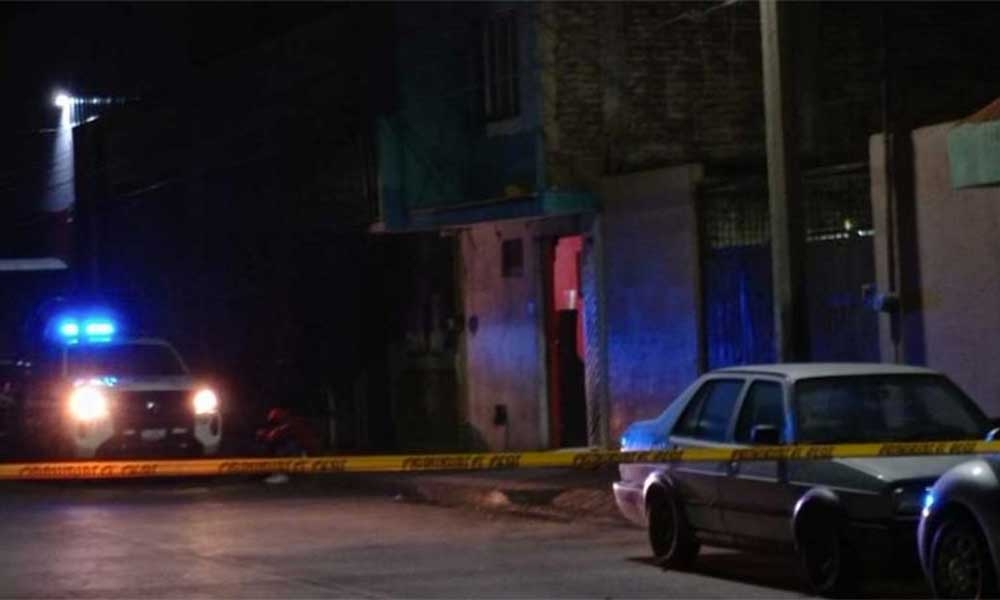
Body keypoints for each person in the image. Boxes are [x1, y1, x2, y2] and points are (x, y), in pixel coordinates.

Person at [256, 407, 322, 484]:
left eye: (274, 420)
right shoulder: (288, 423)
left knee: (283, 446)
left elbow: (275, 435)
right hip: (308, 452)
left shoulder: (290, 424)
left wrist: (264, 434)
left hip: (308, 454)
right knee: (279, 444)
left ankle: (283, 474)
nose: (273, 423)